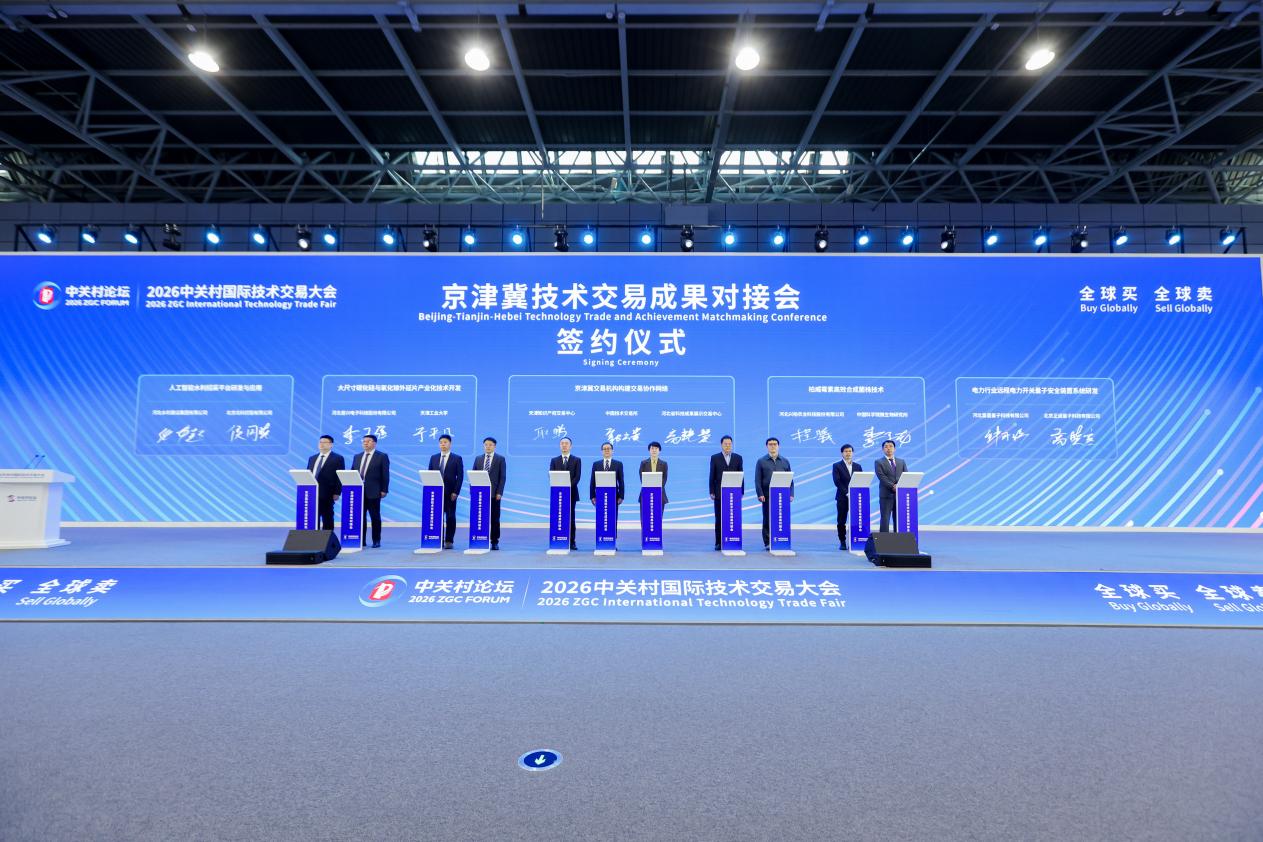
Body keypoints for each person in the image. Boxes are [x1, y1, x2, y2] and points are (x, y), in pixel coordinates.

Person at [754, 437, 794, 551]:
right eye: (770, 444)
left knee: (782, 518)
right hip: (767, 496)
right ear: (767, 446)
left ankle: (782, 539)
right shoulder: (761, 461)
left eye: (775, 444)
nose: (773, 446)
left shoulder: (785, 461)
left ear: (778, 446)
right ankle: (767, 542)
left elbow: (791, 480)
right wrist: (760, 494)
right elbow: (757, 480)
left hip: (782, 496)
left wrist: (791, 493)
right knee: (767, 518)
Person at [351, 434, 389, 547]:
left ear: (374, 443)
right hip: (358, 492)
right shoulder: (357, 456)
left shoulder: (381, 456)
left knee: (375, 517)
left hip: (374, 491)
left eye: (368, 441)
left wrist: (384, 489)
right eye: (364, 441)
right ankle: (361, 540)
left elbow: (385, 474)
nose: (365, 443)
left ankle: (376, 540)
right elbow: (352, 472)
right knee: (360, 517)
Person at [428, 434, 464, 549]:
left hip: (450, 493)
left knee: (450, 517)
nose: (443, 444)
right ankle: (437, 538)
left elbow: (460, 477)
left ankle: (449, 540)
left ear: (450, 444)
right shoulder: (433, 458)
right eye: (441, 442)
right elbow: (430, 474)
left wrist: (456, 492)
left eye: (445, 442)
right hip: (436, 493)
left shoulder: (457, 458)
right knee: (436, 517)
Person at [708, 435, 743, 550]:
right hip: (719, 493)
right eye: (725, 444)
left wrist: (741, 491)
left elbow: (741, 475)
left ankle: (733, 539)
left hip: (734, 493)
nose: (727, 446)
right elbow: (712, 476)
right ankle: (718, 542)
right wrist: (712, 491)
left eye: (729, 444)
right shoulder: (715, 458)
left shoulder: (738, 458)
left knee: (733, 518)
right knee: (719, 518)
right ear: (721, 445)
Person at [306, 435, 345, 532]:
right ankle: (314, 536)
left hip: (328, 493)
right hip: (312, 493)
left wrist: (337, 492)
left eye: (324, 442)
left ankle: (328, 537)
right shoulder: (312, 458)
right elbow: (308, 474)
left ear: (331, 445)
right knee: (313, 516)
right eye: (320, 442)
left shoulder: (338, 458)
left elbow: (340, 476)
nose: (321, 444)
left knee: (327, 516)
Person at [473, 436, 506, 550]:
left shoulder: (500, 459)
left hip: (494, 494)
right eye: (486, 445)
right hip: (480, 494)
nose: (488, 447)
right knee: (480, 517)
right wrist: (473, 491)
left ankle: (494, 541)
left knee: (494, 519)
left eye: (490, 445)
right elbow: (473, 475)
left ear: (494, 446)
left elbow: (502, 477)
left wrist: (499, 492)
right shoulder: (478, 459)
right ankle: (480, 538)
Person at [549, 436, 582, 550]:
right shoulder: (554, 460)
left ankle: (572, 541)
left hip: (571, 493)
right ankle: (557, 538)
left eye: (566, 443)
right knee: (558, 516)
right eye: (562, 443)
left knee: (570, 517)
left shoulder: (577, 460)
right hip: (557, 494)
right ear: (559, 446)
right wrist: (561, 489)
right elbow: (551, 476)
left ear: (570, 446)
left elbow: (577, 477)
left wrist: (567, 488)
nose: (564, 445)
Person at [831, 443, 861, 550]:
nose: (848, 453)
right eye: (846, 451)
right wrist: (847, 492)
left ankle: (855, 540)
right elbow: (837, 481)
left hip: (855, 498)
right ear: (842, 453)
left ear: (853, 453)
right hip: (842, 497)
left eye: (850, 451)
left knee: (856, 520)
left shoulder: (858, 466)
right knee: (841, 520)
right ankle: (842, 541)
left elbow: (860, 481)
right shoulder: (837, 466)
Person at [874, 439, 907, 532]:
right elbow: (881, 477)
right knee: (885, 518)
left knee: (898, 518)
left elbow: (906, 475)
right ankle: (883, 539)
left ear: (894, 449)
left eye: (891, 446)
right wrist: (893, 486)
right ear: (882, 449)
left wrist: (900, 486)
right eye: (886, 447)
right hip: (886, 494)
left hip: (899, 495)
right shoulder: (878, 462)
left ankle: (898, 538)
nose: (888, 448)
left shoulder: (901, 462)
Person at [589, 440, 625, 512]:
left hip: (614, 495)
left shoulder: (618, 464)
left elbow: (621, 481)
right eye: (604, 449)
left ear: (612, 451)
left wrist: (621, 496)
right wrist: (592, 496)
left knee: (613, 515)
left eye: (608, 449)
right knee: (601, 515)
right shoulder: (596, 464)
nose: (606, 450)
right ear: (602, 451)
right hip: (599, 495)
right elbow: (592, 481)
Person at [638, 441, 669, 510]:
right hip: (646, 492)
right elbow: (641, 477)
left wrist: (657, 488)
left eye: (656, 448)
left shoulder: (664, 464)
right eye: (652, 448)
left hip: (660, 493)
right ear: (649, 450)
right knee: (645, 515)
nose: (654, 450)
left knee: (658, 515)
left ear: (659, 451)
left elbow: (664, 478)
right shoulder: (643, 463)